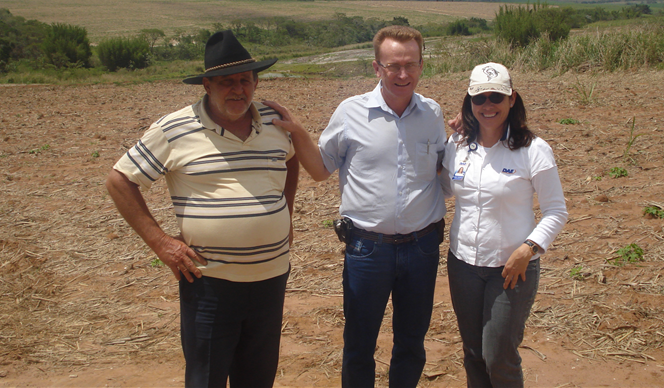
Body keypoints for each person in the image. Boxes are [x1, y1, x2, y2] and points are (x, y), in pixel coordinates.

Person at [105, 30, 298, 388]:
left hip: (271, 279)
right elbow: (119, 180)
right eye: (227, 82)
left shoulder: (275, 122)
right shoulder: (174, 128)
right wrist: (161, 243)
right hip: (210, 283)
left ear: (256, 81)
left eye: (245, 79)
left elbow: (293, 158)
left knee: (257, 378)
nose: (238, 89)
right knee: (205, 378)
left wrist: (285, 210)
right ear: (207, 86)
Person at [264, 25, 446, 388]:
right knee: (360, 344)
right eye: (393, 65)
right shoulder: (351, 112)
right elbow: (319, 170)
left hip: (422, 248)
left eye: (411, 64)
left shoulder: (433, 113)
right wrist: (298, 133)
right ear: (376, 68)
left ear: (422, 65)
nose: (403, 74)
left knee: (411, 343)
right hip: (367, 250)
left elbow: (443, 171)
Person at [441, 62, 567, 388]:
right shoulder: (455, 147)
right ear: (469, 102)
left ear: (512, 99)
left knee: (498, 355)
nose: (487, 105)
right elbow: (439, 189)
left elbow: (556, 211)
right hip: (463, 265)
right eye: (479, 98)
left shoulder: (533, 150)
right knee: (472, 353)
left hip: (513, 269)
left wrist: (529, 248)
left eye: (496, 97)